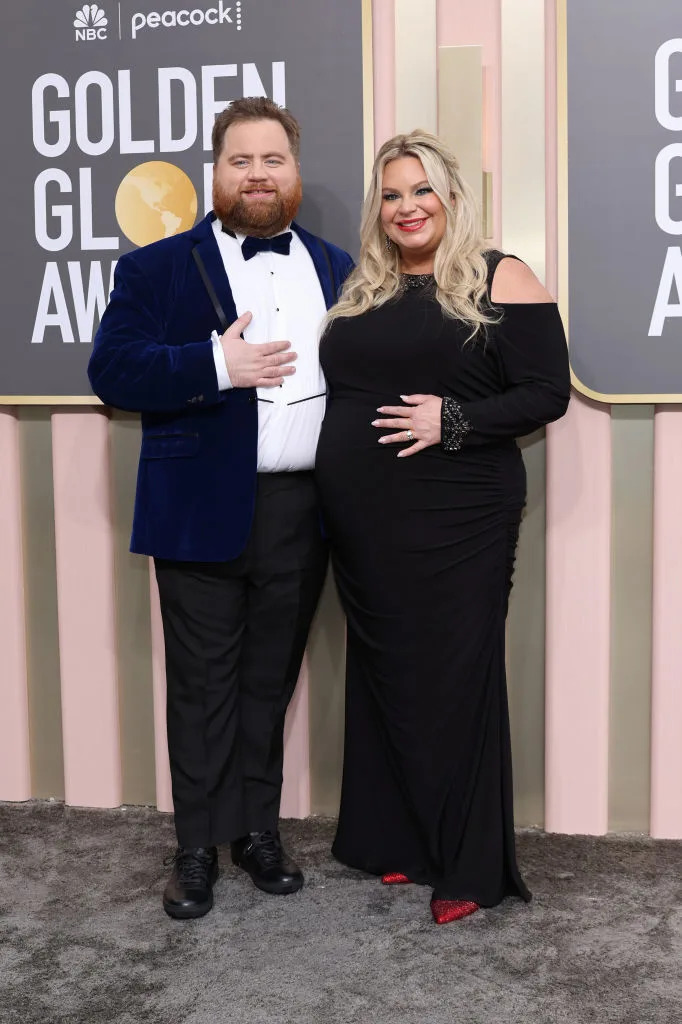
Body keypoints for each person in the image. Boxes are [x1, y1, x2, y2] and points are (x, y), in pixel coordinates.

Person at [88, 97, 353, 919]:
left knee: (268, 684)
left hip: (303, 510)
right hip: (198, 508)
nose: (258, 175)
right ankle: (196, 849)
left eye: (272, 159)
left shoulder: (339, 266)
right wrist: (215, 363)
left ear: (295, 171)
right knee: (202, 687)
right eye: (241, 160)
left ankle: (257, 833)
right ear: (216, 172)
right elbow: (114, 372)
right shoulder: (156, 268)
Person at [315, 130, 570, 924]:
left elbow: (545, 393)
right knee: (387, 674)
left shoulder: (501, 276)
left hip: (460, 516)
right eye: (390, 195)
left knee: (455, 682)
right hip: (365, 521)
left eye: (420, 190)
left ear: (451, 198)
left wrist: (452, 418)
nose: (406, 207)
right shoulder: (365, 289)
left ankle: (470, 865)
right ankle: (398, 839)